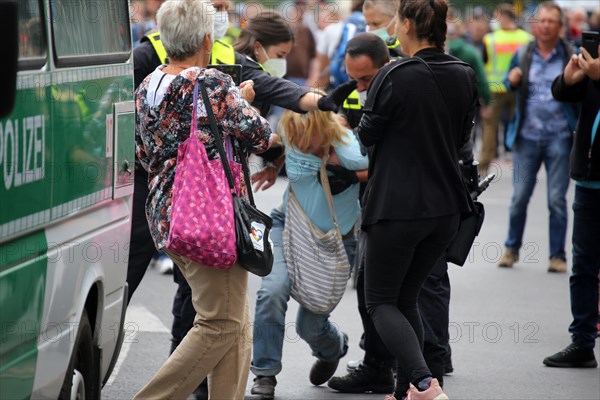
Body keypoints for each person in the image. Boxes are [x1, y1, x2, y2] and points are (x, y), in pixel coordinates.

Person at [132, 0, 274, 398]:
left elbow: (144, 152)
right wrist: (242, 98)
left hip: (165, 213)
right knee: (220, 323)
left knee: (236, 320)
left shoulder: (149, 84)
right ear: (208, 39)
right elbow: (260, 134)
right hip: (209, 217)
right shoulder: (211, 84)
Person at [357, 0, 478, 399]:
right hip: (446, 209)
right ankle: (406, 389)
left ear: (407, 24)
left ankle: (425, 385)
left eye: (397, 20)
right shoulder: (464, 73)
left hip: (397, 207)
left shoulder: (394, 74)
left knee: (379, 302)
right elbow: (463, 139)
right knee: (406, 298)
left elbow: (366, 135)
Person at [249, 106, 368, 399]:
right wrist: (274, 166)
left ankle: (333, 348)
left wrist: (350, 176)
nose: (299, 143)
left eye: (307, 138)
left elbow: (379, 168)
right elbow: (275, 147)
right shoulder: (291, 134)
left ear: (324, 132)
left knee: (309, 324)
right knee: (272, 291)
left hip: (335, 240)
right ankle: (265, 374)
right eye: (295, 136)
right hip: (287, 225)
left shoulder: (346, 145)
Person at [327, 33, 395, 395]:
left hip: (396, 206)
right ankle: (384, 365)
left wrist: (351, 170)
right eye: (353, 78)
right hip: (374, 203)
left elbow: (385, 162)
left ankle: (399, 368)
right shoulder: (359, 93)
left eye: (365, 78)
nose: (358, 86)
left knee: (383, 293)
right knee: (373, 290)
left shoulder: (397, 93)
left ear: (385, 66)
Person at [496, 2, 579, 273]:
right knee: (519, 195)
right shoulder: (523, 53)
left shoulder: (571, 55)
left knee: (557, 199)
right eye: (541, 21)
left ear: (560, 27)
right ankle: (511, 248)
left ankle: (558, 256)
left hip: (560, 137)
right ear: (535, 24)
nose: (545, 25)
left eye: (551, 21)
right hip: (527, 137)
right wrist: (512, 79)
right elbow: (508, 83)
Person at [543, 41, 599, 368]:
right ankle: (582, 341)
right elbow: (562, 95)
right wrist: (569, 79)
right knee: (583, 267)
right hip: (589, 181)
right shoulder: (594, 66)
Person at [479, 3, 532, 176]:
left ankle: (482, 169)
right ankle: (522, 166)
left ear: (503, 17)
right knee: (519, 126)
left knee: (489, 128)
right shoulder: (526, 38)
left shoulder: (490, 39)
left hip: (495, 89)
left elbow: (483, 63)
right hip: (518, 88)